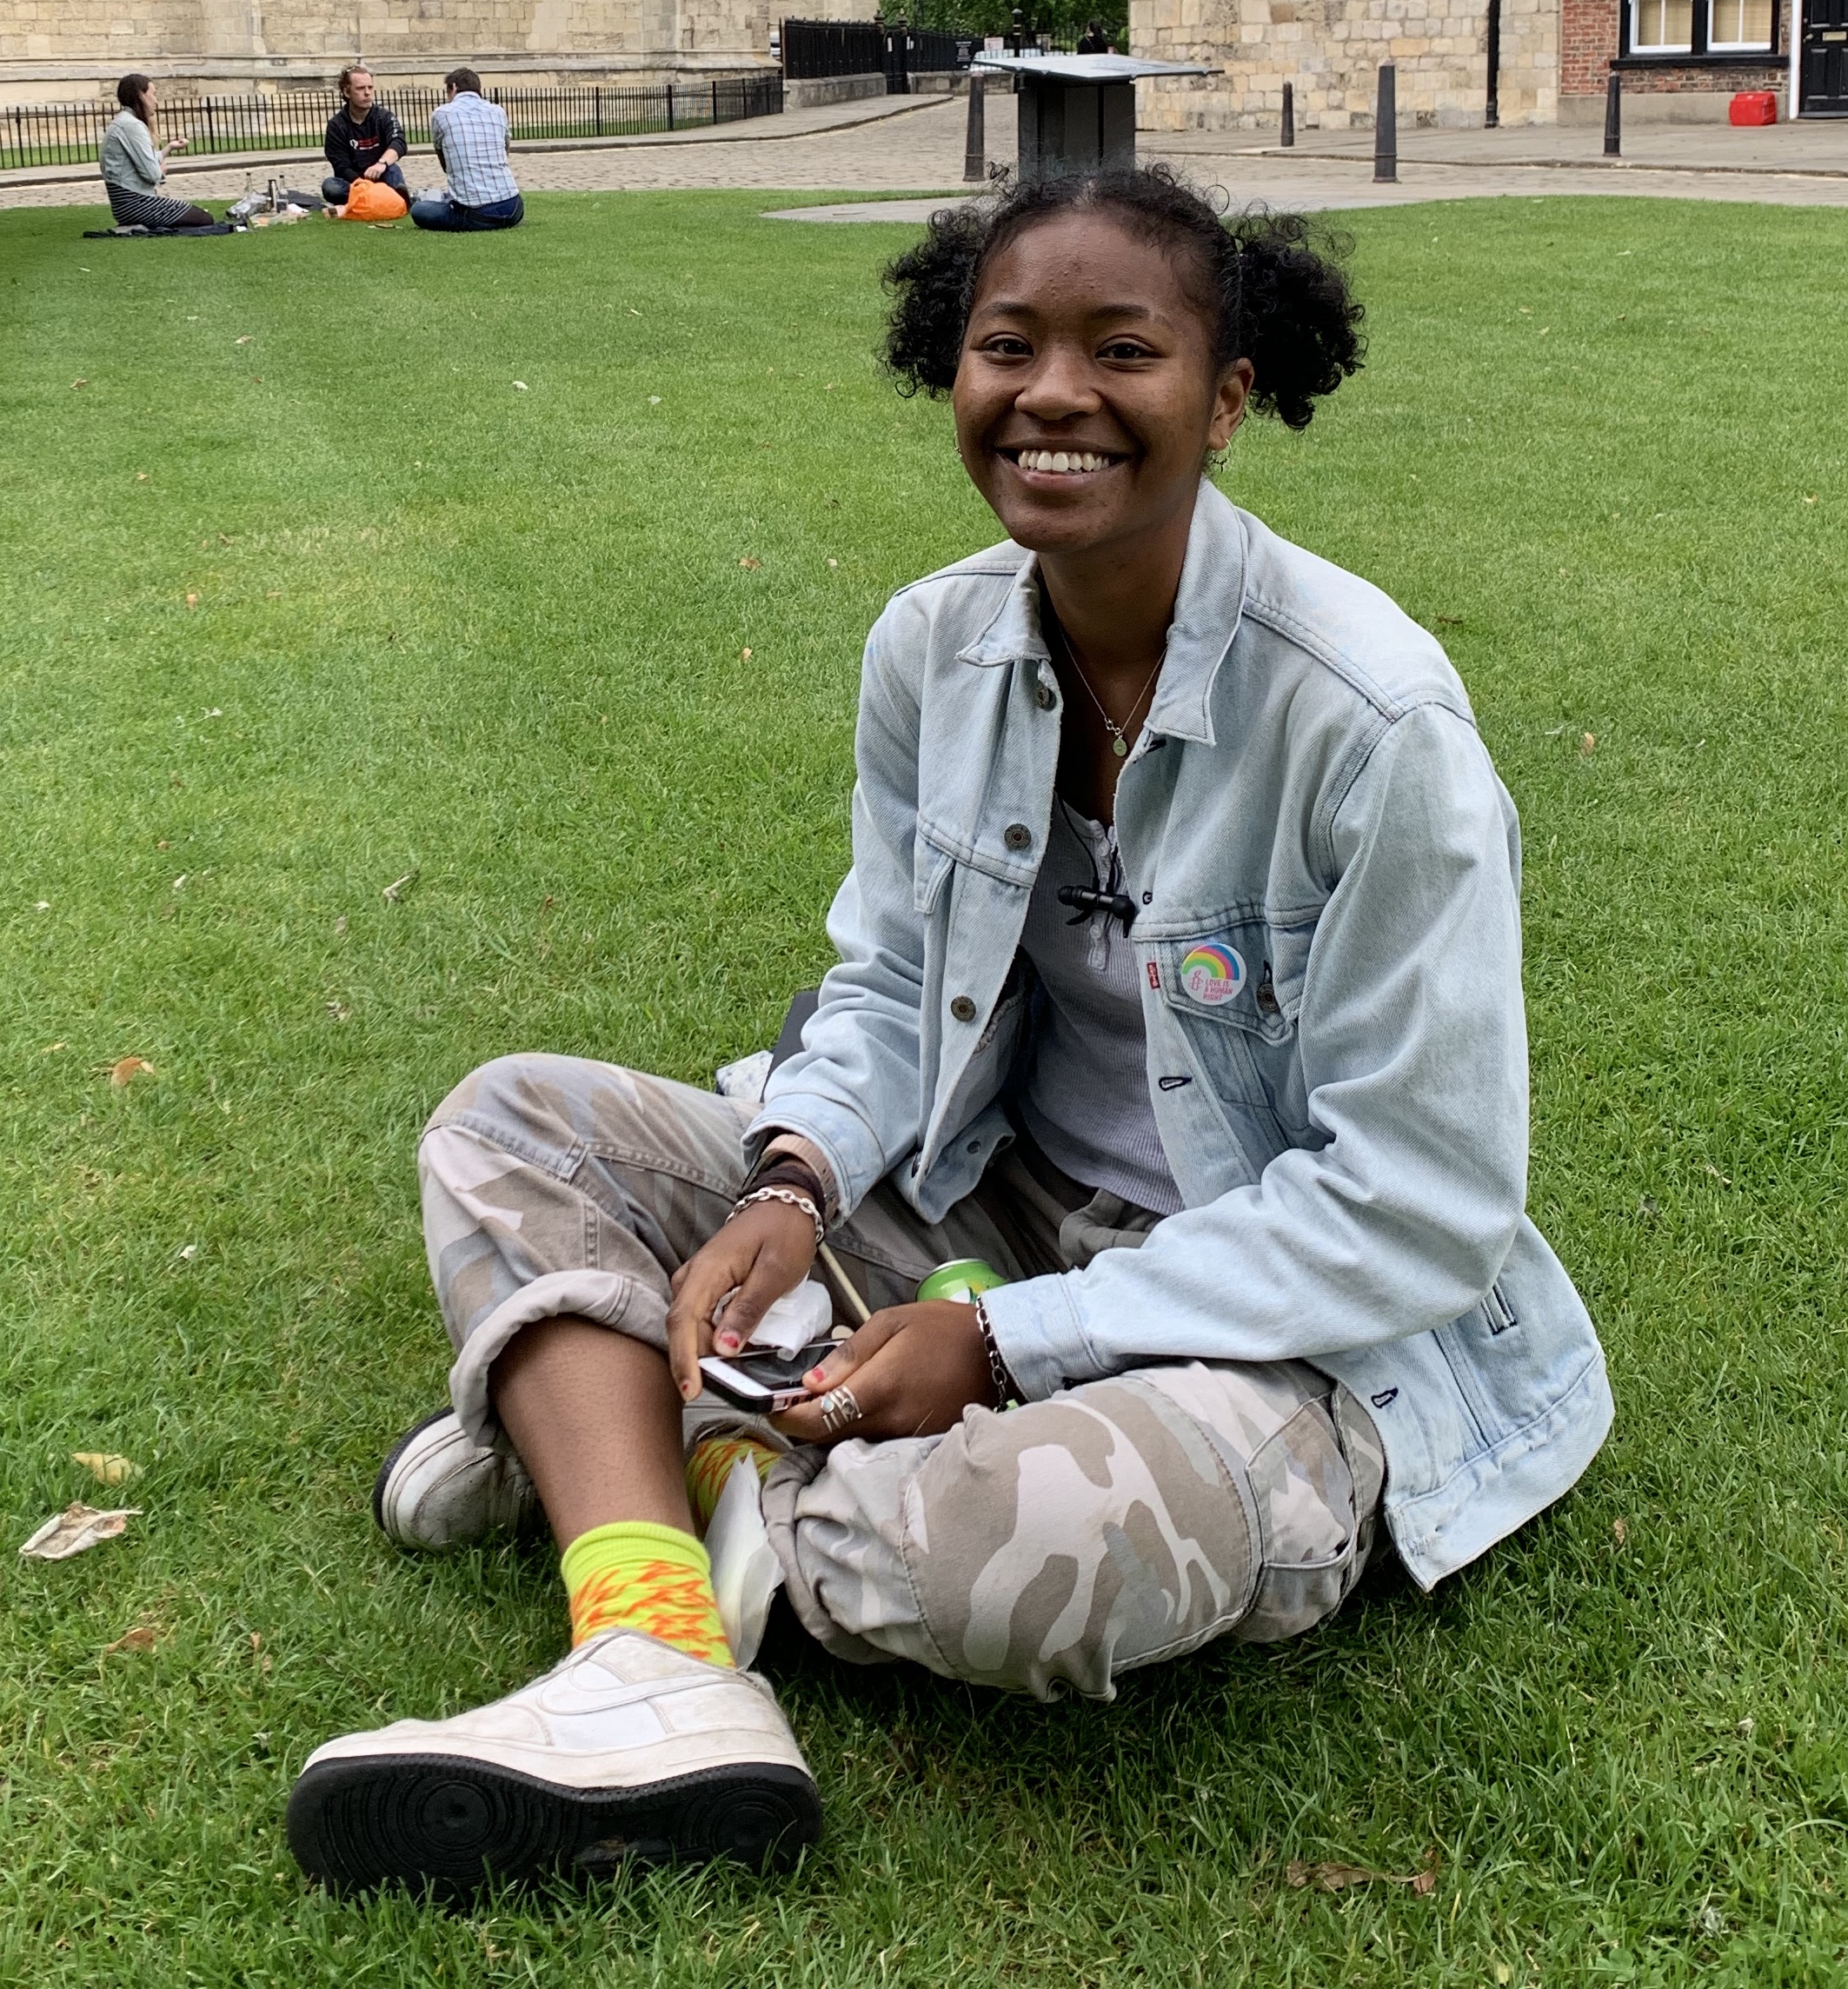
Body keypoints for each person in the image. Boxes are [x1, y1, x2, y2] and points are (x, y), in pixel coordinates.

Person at [286, 167, 1613, 1897]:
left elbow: (1422, 1207)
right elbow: (893, 989)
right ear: (953, 368)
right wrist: (786, 1178)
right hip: (980, 1202)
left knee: (1031, 1538)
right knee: (510, 1120)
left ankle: (613, 1444)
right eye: (1007, 344)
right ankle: (661, 1630)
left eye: (1119, 348)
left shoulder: (1370, 727)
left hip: (1289, 1331)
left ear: (1225, 396)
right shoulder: (935, 645)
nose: (1052, 393)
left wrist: (1007, 1348)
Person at [409, 68, 523, 232]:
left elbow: (445, 164)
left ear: (453, 87)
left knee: (419, 210)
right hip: (513, 207)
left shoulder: (442, 114)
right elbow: (505, 152)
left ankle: (446, 200)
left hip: (475, 214)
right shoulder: (498, 111)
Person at [99, 75, 215, 231]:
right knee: (204, 219)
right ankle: (149, 228)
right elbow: (152, 174)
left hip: (126, 204)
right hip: (136, 204)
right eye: (153, 94)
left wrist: (169, 148)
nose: (156, 100)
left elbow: (145, 160)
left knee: (197, 216)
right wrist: (160, 172)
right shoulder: (132, 125)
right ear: (140, 95)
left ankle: (150, 226)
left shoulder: (124, 121)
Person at [321, 65, 409, 210]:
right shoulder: (336, 125)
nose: (367, 93)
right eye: (360, 88)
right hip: (354, 183)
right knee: (330, 187)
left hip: (382, 175)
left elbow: (399, 143)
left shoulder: (384, 117)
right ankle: (386, 199)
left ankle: (379, 200)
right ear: (346, 92)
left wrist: (381, 164)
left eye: (370, 87)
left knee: (393, 170)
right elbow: (341, 165)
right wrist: (363, 185)